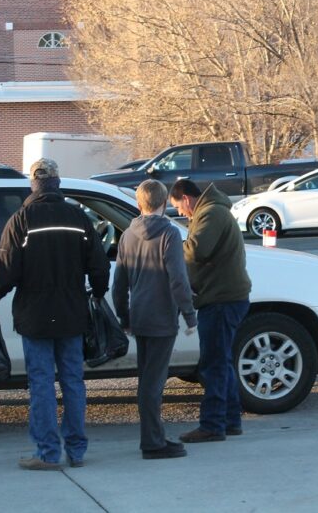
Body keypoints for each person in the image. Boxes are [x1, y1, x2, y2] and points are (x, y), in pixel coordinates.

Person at [0, 158, 110, 470]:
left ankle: (47, 453)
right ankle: (76, 452)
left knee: (41, 384)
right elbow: (99, 266)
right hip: (72, 315)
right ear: (58, 182)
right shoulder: (78, 217)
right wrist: (98, 293)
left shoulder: (21, 219)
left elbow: (6, 272)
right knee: (73, 382)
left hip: (34, 318)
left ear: (33, 185)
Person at [112, 179, 198, 460]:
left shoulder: (127, 235)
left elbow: (119, 283)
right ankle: (152, 441)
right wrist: (189, 314)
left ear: (139, 204)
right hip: (162, 317)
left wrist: (124, 316)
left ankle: (153, 437)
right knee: (154, 382)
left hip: (139, 315)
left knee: (146, 379)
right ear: (163, 204)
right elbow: (178, 279)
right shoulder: (170, 234)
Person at [169, 180, 252, 442]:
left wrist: (170, 251)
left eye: (178, 207)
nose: (180, 213)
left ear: (187, 198)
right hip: (225, 297)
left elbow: (196, 251)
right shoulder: (212, 211)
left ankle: (212, 425)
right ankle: (230, 420)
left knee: (213, 364)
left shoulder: (211, 212)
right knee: (222, 361)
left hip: (221, 300)